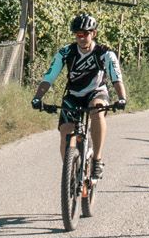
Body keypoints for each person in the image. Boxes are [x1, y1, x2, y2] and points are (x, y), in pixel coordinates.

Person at [32, 13, 127, 178]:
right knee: (65, 132)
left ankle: (97, 160)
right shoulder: (66, 52)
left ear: (94, 33)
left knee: (96, 110)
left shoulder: (105, 53)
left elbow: (116, 77)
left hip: (96, 92)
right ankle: (69, 174)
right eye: (78, 34)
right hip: (73, 95)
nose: (82, 38)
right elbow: (49, 76)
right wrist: (37, 97)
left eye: (86, 34)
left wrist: (121, 97)